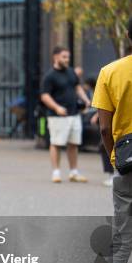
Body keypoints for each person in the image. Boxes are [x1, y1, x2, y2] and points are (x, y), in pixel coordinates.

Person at [88, 16, 132, 263]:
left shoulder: (111, 72)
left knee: (120, 242)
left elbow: (104, 128)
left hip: (128, 164)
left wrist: (115, 158)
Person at [40, 46, 91, 183]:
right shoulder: (49, 76)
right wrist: (56, 108)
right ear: (55, 57)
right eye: (64, 57)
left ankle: (73, 172)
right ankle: (56, 172)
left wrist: (86, 100)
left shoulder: (71, 72)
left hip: (74, 113)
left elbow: (77, 87)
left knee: (73, 143)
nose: (67, 59)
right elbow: (45, 96)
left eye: (68, 57)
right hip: (57, 116)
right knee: (56, 143)